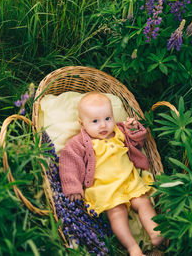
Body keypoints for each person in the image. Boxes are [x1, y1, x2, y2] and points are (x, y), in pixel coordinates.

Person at [59, 92, 163, 256]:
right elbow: (69, 162)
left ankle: (155, 232)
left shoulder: (119, 130)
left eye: (108, 118)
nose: (103, 126)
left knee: (143, 202)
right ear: (82, 124)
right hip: (105, 188)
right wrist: (72, 186)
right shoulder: (79, 142)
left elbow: (138, 141)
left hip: (129, 179)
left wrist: (134, 128)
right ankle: (132, 247)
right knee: (117, 214)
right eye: (95, 121)